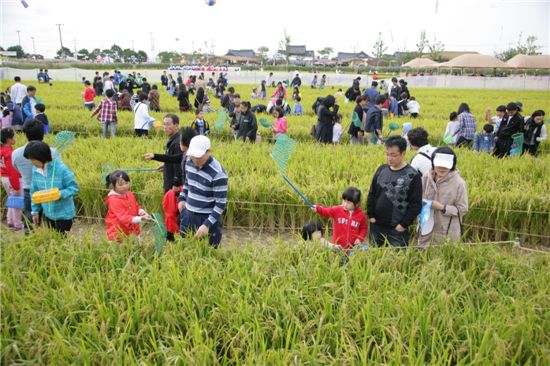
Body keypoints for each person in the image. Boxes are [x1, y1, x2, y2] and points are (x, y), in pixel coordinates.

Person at [367, 136, 423, 247]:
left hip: (397, 229)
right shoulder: (382, 170)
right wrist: (371, 215)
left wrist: (403, 225)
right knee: (373, 259)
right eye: (387, 154)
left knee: (396, 261)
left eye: (393, 155)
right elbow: (372, 193)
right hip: (376, 225)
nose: (389, 158)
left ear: (403, 154)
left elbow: (416, 204)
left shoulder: (412, 175)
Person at [178, 135, 228, 248]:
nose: (195, 159)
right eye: (193, 156)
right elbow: (187, 183)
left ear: (208, 152)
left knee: (208, 253)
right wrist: (182, 198)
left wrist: (207, 225)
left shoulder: (218, 173)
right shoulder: (189, 161)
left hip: (207, 218)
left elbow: (220, 204)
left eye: (199, 156)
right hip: (188, 215)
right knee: (185, 250)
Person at [11, 119, 59, 233]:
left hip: (29, 190)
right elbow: (57, 171)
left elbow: (16, 168)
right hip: (49, 190)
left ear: (25, 133)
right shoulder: (53, 152)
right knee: (52, 224)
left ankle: (31, 243)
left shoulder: (16, 153)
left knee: (29, 222)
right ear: (43, 133)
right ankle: (53, 244)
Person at [25, 141, 78, 234]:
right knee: (54, 240)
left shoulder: (62, 169)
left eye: (33, 159)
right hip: (48, 214)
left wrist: (59, 194)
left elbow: (73, 188)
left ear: (41, 157)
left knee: (60, 241)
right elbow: (34, 192)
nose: (31, 162)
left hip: (64, 215)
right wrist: (35, 211)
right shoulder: (35, 170)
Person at [419, 147, 468, 246]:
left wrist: (442, 207)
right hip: (426, 227)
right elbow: (418, 197)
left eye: (445, 166)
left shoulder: (459, 183)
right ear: (433, 163)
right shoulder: (425, 178)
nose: (441, 168)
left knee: (444, 256)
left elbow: (462, 209)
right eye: (439, 165)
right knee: (423, 254)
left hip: (447, 230)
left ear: (452, 165)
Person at [311, 187, 368, 253]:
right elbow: (326, 211)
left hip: (353, 248)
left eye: (349, 202)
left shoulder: (361, 215)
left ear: (357, 204)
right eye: (344, 201)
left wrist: (360, 238)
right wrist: (317, 208)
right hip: (338, 247)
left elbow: (364, 228)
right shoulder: (337, 210)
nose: (345, 204)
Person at [104, 170, 152, 242]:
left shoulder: (129, 194)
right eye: (121, 185)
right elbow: (124, 218)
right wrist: (141, 218)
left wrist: (142, 212)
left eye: (126, 183)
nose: (125, 186)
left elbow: (136, 206)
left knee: (137, 249)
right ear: (113, 186)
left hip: (132, 230)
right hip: (118, 233)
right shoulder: (113, 200)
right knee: (122, 252)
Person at [143, 114, 181, 193]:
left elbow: (178, 164)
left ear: (176, 126)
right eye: (164, 124)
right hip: (169, 181)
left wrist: (176, 184)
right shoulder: (173, 139)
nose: (165, 127)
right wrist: (166, 165)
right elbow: (171, 159)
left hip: (173, 186)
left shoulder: (177, 143)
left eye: (168, 124)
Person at [1, 127, 23, 231]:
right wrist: (16, 186)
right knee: (17, 202)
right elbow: (13, 171)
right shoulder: (9, 153)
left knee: (11, 200)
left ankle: (10, 221)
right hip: (11, 179)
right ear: (9, 139)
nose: (15, 138)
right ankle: (18, 224)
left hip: (4, 178)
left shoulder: (2, 150)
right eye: (14, 136)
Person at [162, 176, 182, 242]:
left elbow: (164, 205)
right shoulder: (171, 194)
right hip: (172, 220)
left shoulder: (169, 193)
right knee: (173, 238)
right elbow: (174, 209)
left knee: (170, 236)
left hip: (170, 220)